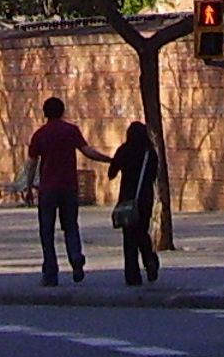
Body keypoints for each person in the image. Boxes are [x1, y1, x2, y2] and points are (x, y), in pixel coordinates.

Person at [24, 97, 108, 285]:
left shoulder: (40, 134)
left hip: (48, 189)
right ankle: (76, 256)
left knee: (47, 231)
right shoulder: (71, 131)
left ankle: (50, 273)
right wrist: (108, 159)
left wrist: (28, 187)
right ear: (62, 111)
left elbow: (32, 163)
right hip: (69, 186)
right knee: (71, 226)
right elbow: (87, 151)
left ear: (45, 113)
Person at [107, 120, 163, 285]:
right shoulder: (150, 153)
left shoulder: (124, 150)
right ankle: (149, 258)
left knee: (129, 236)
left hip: (127, 198)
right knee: (142, 231)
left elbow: (111, 173)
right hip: (145, 197)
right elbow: (153, 176)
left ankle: (132, 275)